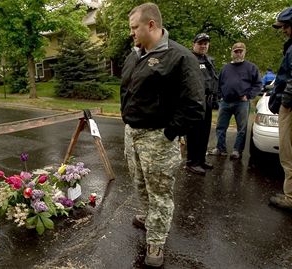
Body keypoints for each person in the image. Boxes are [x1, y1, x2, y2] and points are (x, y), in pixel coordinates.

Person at [121, 3, 205, 267]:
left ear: (151, 25)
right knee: (140, 184)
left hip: (158, 138)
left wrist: (169, 133)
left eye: (135, 28)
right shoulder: (135, 54)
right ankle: (148, 217)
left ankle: (156, 241)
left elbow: (194, 106)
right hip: (132, 134)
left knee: (160, 193)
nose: (132, 33)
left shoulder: (179, 57)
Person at [209, 42, 262, 159]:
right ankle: (220, 148)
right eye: (236, 51)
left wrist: (248, 96)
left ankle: (237, 150)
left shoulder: (251, 67)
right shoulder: (225, 68)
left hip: (242, 103)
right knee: (220, 127)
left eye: (240, 51)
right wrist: (219, 96)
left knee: (241, 129)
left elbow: (258, 84)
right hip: (225, 102)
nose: (238, 53)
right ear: (231, 52)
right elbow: (219, 84)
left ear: (244, 52)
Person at [268, 7, 292, 209]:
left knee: (288, 151)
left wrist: (285, 101)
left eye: (285, 27)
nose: (283, 30)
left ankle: (290, 197)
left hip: (290, 107)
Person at [185, 33, 218, 175]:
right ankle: (192, 162)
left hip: (208, 101)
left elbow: (212, 80)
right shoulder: (189, 59)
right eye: (200, 43)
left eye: (206, 43)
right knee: (194, 133)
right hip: (195, 102)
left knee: (204, 132)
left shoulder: (209, 60)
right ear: (194, 44)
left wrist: (215, 98)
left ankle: (201, 159)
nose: (203, 46)